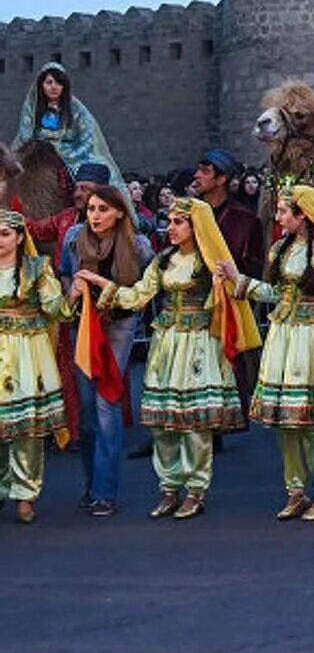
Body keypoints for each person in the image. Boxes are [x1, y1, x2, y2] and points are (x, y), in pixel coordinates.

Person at [85, 198, 255, 519]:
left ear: (195, 226)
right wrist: (100, 284)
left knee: (194, 422)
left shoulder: (209, 262)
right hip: (166, 343)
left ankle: (196, 489)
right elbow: (137, 296)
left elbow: (236, 296)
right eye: (170, 221)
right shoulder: (163, 261)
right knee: (163, 423)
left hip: (199, 344)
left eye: (179, 222)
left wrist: (228, 286)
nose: (171, 228)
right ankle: (168, 487)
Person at [218, 186, 314, 520]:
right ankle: (295, 490)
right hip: (285, 336)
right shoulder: (279, 249)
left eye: (284, 211)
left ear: (303, 214)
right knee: (287, 419)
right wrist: (238, 281)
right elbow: (276, 293)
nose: (278, 217)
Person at [59, 178, 154, 516]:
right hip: (83, 324)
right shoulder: (73, 238)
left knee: (106, 403)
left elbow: (147, 286)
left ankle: (106, 492)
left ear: (118, 213)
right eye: (90, 210)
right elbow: (65, 277)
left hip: (119, 323)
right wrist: (71, 294)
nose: (94, 215)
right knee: (86, 411)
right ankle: (92, 483)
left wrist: (121, 301)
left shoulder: (138, 244)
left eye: (102, 209)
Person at [0, 210, 73, 523]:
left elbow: (55, 308)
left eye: (4, 233)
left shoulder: (36, 268)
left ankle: (26, 493)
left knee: (26, 430)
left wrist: (74, 294)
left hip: (27, 351)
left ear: (19, 237)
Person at [192, 149, 267, 426]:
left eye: (206, 171)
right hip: (193, 300)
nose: (197, 176)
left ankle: (224, 419)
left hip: (228, 302)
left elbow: (253, 267)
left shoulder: (244, 220)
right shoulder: (190, 214)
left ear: (222, 179)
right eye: (198, 169)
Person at [14, 63, 126, 201]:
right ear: (41, 85)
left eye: (59, 83)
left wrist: (68, 152)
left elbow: (87, 136)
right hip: (39, 151)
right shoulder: (32, 108)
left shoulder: (76, 109)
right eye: (49, 82)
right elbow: (26, 135)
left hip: (74, 154)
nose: (54, 87)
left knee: (96, 176)